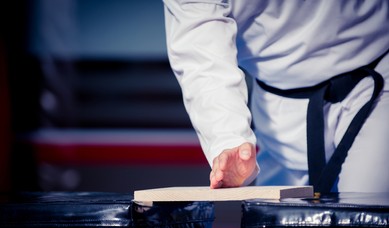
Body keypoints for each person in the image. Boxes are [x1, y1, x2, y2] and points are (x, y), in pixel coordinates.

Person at [162, 0, 389, 193]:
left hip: (375, 81)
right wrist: (229, 139)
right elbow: (201, 53)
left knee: (369, 217)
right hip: (278, 107)